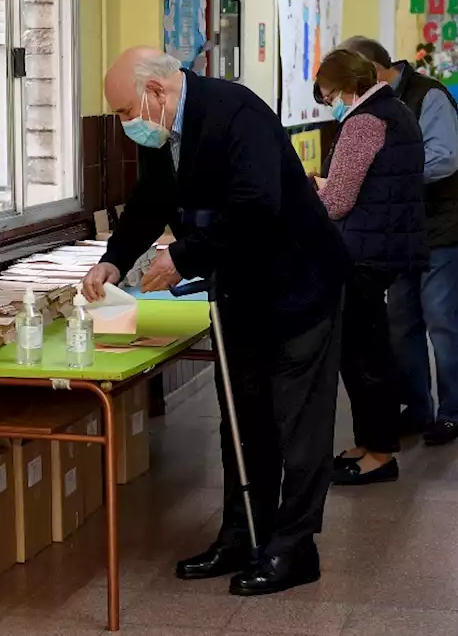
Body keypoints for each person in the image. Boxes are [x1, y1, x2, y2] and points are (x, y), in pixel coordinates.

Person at [82, 47, 348, 595]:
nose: (123, 124)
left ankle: (296, 549)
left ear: (156, 92)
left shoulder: (236, 113)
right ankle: (242, 533)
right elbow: (150, 201)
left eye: (124, 111)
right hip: (242, 290)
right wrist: (114, 257)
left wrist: (181, 257)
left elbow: (257, 207)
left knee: (296, 422)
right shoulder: (164, 131)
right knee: (243, 418)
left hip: (299, 282)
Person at [337, 37, 458, 446]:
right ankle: (417, 408)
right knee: (402, 322)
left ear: (375, 69)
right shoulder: (370, 106)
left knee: (441, 320)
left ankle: (454, 411)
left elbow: (444, 158)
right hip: (397, 231)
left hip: (439, 227)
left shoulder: (428, 95)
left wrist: (382, 172)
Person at [312, 50, 426, 487]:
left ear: (344, 87)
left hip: (363, 252)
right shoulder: (394, 110)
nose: (327, 102)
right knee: (368, 350)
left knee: (364, 357)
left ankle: (379, 454)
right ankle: (369, 444)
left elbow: (339, 199)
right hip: (384, 245)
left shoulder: (362, 122)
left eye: (326, 94)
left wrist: (309, 196)